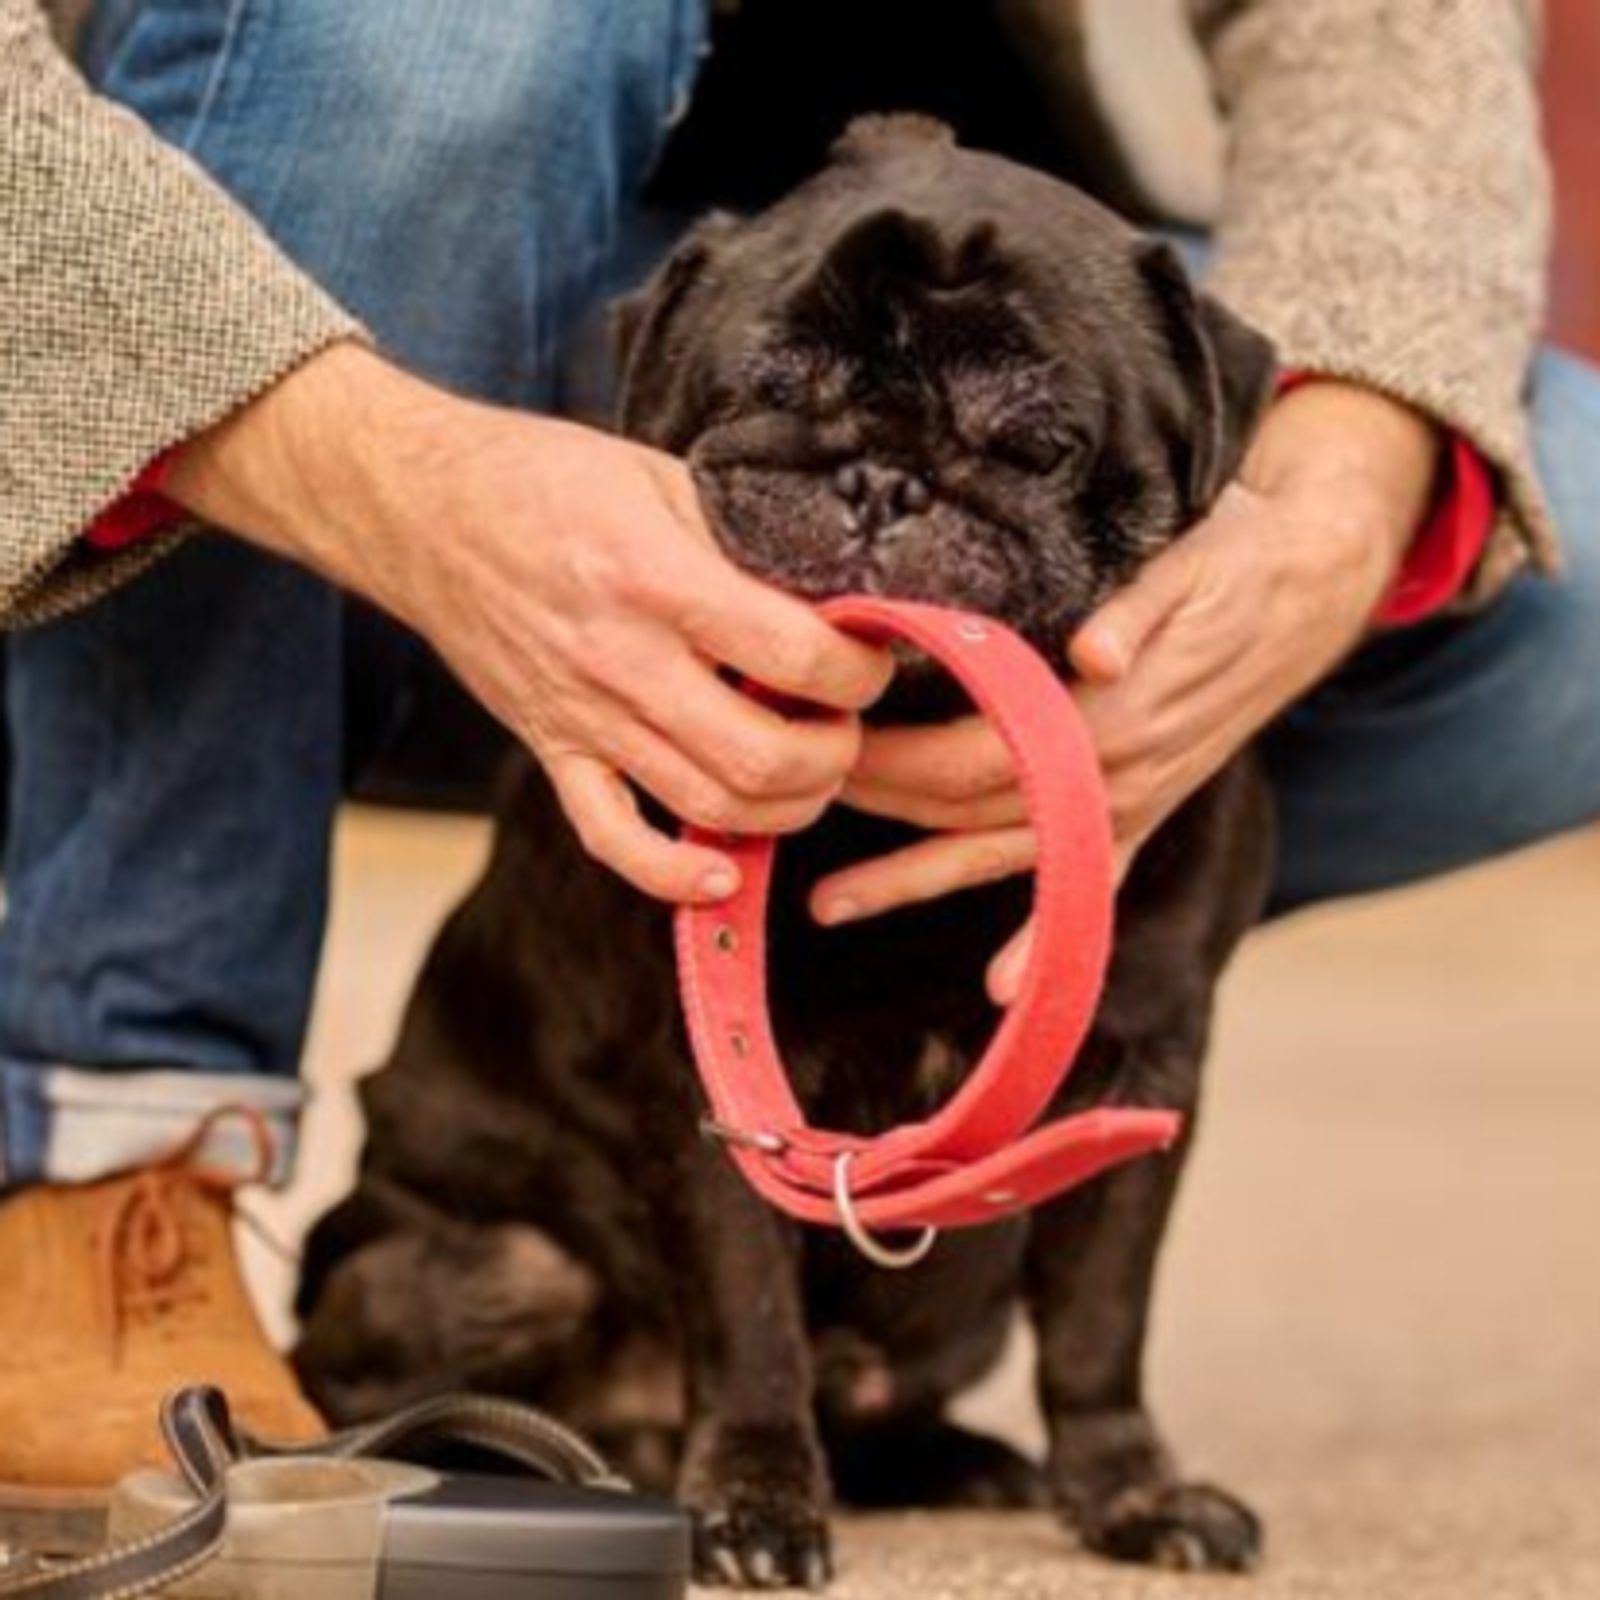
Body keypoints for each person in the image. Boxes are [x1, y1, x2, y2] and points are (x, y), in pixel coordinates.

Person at [2, 0, 1596, 1517]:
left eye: (1018, 449)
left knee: (1571, 562)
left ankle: (979, 1027)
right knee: (448, 31)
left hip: (1000, 262)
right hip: (346, 295)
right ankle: (119, 1137)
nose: (890, 497)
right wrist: (362, 463)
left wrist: (1348, 489)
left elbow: (1396, 31)